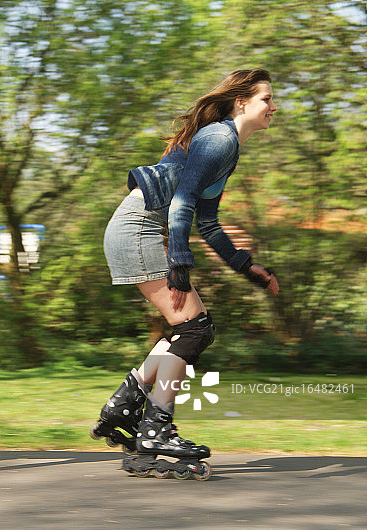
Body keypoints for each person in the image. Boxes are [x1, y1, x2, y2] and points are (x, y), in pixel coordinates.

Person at [90, 69, 279, 479]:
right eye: (266, 98)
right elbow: (182, 204)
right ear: (241, 102)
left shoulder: (226, 146)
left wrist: (245, 266)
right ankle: (155, 428)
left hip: (137, 229)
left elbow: (207, 223)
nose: (273, 106)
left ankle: (123, 407)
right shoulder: (219, 138)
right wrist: (179, 261)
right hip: (138, 228)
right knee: (195, 329)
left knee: (187, 330)